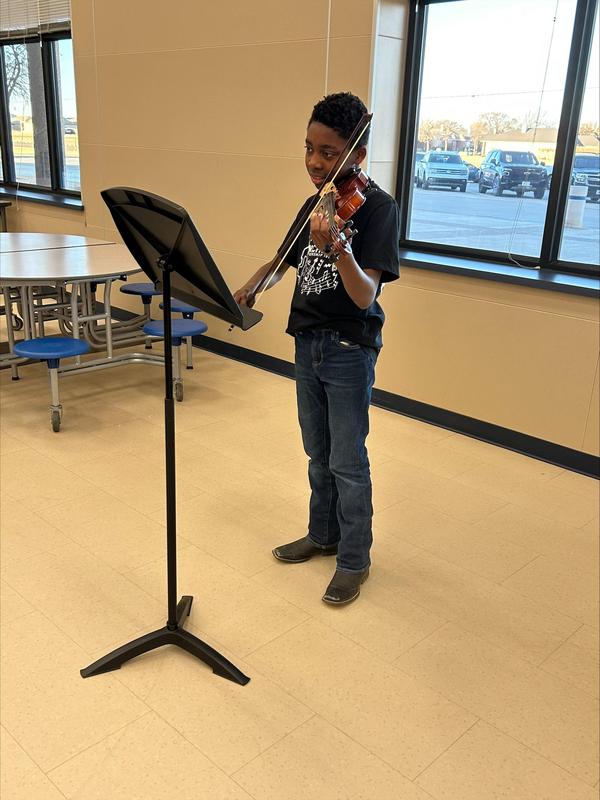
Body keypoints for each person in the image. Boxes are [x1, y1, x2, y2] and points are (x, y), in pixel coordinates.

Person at [234, 92, 400, 605]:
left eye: (328, 152)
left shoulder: (377, 209)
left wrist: (339, 249)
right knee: (317, 453)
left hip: (349, 348)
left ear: (357, 154)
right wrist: (246, 288)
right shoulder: (315, 204)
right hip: (307, 343)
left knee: (348, 460)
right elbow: (281, 261)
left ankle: (355, 559)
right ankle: (322, 533)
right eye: (309, 148)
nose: (314, 161)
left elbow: (363, 294)